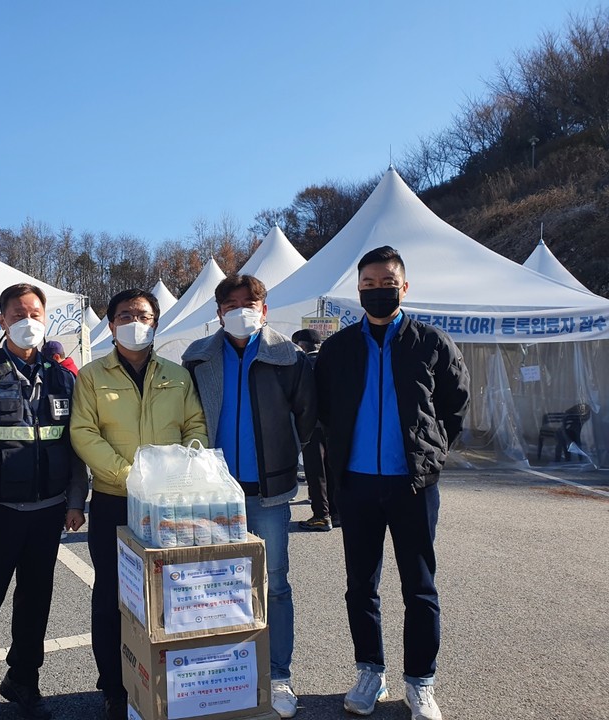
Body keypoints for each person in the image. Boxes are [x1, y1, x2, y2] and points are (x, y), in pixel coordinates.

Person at [315, 246, 470, 720]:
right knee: (361, 584)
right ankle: (370, 671)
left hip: (413, 486)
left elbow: (455, 403)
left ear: (404, 287)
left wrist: (432, 454)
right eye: (368, 285)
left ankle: (420, 681)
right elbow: (323, 408)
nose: (377, 292)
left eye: (387, 284)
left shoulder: (430, 342)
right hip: (356, 484)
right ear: (357, 289)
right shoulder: (339, 348)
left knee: (419, 586)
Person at [0, 283, 88, 720]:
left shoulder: (64, 376)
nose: (29, 322)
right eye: (19, 314)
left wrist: (76, 502)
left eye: (36, 314)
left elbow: (75, 446)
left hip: (48, 513)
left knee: (35, 603)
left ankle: (23, 679)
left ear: (46, 319)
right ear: (3, 320)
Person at [182, 275, 316, 719]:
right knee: (216, 587)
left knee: (274, 585)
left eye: (250, 302)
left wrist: (283, 456)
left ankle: (279, 676)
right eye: (231, 303)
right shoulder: (198, 357)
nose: (241, 310)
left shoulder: (287, 356)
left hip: (269, 493)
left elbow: (308, 417)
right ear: (218, 312)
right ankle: (227, 676)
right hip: (215, 496)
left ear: (264, 306)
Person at [70, 288, 207, 720]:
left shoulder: (177, 375)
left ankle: (168, 682)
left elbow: (195, 427)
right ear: (110, 324)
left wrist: (177, 476)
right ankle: (113, 685)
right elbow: (84, 433)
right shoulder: (91, 376)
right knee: (112, 596)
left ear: (156, 322)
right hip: (115, 501)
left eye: (144, 315)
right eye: (125, 315)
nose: (135, 322)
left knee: (170, 595)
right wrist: (131, 476)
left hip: (170, 505)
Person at [291, 328, 336, 532]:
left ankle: (321, 515)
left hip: (312, 426)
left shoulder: (303, 363)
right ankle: (335, 512)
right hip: (334, 426)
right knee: (332, 469)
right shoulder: (332, 361)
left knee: (315, 472)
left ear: (300, 345)